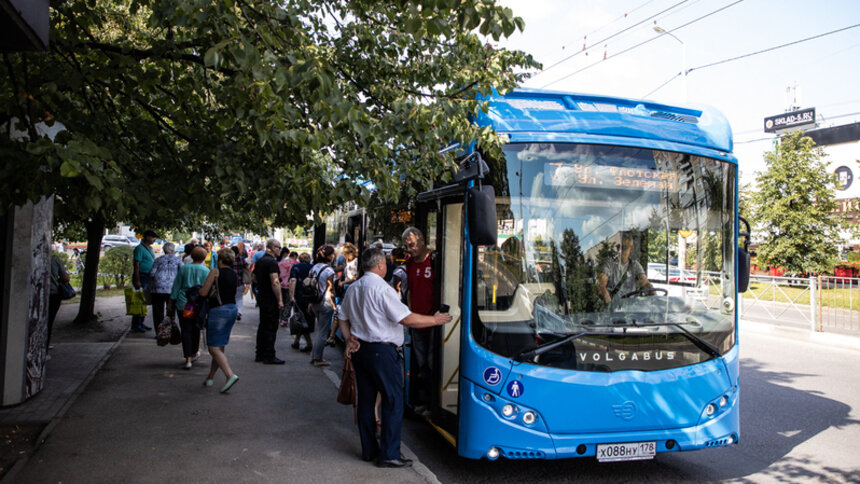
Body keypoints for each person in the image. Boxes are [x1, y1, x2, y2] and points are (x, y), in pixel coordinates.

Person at [337, 247, 452, 467]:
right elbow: (406, 319)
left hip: (361, 351)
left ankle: (369, 450)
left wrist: (348, 338)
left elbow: (342, 316)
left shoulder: (354, 287)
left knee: (366, 402)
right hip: (383, 352)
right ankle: (389, 454)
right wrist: (435, 320)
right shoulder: (383, 289)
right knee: (392, 401)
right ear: (381, 265)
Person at [401, 227, 437, 414]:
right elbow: (410, 291)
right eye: (407, 246)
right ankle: (426, 401)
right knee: (422, 363)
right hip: (417, 321)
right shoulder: (409, 263)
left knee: (432, 363)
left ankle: (433, 404)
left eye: (412, 245)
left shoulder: (434, 260)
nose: (410, 249)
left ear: (422, 240)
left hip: (433, 322)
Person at [198, 248, 240, 393]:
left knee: (213, 348)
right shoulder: (234, 274)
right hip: (232, 309)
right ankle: (210, 377)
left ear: (219, 259)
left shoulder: (215, 272)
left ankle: (229, 375)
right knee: (220, 346)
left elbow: (204, 292)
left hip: (218, 310)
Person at [169, 246, 210, 369]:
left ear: (191, 256)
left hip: (183, 303)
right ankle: (193, 353)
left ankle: (187, 359)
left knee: (185, 330)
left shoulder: (184, 269)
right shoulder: (206, 271)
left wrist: (171, 303)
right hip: (198, 305)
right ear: (204, 257)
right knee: (196, 329)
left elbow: (176, 287)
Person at [597, 233, 653, 305]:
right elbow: (602, 286)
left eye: (624, 248)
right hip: (614, 307)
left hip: (630, 308)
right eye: (618, 247)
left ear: (631, 248)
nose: (620, 251)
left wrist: (655, 300)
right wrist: (610, 307)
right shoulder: (609, 264)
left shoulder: (634, 265)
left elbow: (646, 284)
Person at [253, 238, 285, 364]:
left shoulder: (260, 261)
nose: (280, 250)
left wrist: (262, 285)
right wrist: (280, 300)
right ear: (271, 248)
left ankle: (260, 353)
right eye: (278, 247)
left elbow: (254, 277)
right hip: (270, 299)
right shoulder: (272, 263)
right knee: (271, 327)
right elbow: (275, 282)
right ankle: (269, 355)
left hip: (262, 296)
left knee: (263, 325)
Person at [309, 244, 337, 367]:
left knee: (319, 330)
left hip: (315, 301)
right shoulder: (329, 271)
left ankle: (314, 355)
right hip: (325, 302)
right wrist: (334, 304)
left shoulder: (314, 268)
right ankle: (318, 358)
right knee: (323, 332)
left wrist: (310, 303)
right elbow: (331, 289)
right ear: (330, 256)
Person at [148, 242, 183, 332]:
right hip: (172, 288)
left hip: (157, 288)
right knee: (171, 310)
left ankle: (159, 332)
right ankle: (169, 331)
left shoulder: (158, 259)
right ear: (172, 250)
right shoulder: (177, 260)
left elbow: (152, 273)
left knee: (157, 311)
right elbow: (182, 272)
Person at [131, 230, 158, 333]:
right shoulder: (139, 249)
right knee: (139, 301)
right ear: (147, 237)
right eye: (153, 237)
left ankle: (141, 322)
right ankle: (136, 324)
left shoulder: (149, 248)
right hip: (141, 276)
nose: (154, 240)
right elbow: (136, 264)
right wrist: (137, 280)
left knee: (144, 301)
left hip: (148, 277)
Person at [288, 252, 314, 352]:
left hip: (299, 296)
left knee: (301, 319)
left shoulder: (295, 267)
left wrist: (291, 295)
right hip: (310, 297)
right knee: (305, 318)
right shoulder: (313, 267)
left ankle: (309, 343)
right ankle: (296, 341)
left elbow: (293, 280)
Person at [47, 255, 71, 353]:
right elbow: (65, 277)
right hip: (53, 294)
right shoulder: (54, 260)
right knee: (49, 321)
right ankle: (45, 346)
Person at [278, 251, 298, 325]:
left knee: (281, 301)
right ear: (295, 256)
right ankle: (284, 319)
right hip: (291, 285)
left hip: (281, 284)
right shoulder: (296, 264)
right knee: (289, 303)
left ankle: (280, 316)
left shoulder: (281, 263)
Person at [230, 245, 249, 321]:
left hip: (230, 281)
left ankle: (233, 312)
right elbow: (247, 267)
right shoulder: (241, 259)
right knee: (239, 298)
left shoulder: (229, 259)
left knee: (232, 297)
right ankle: (239, 312)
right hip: (240, 281)